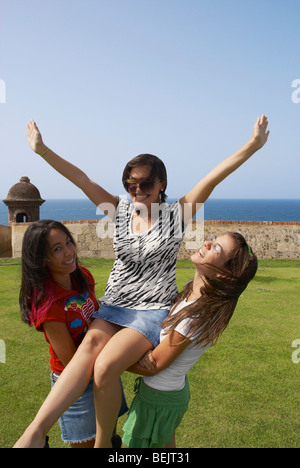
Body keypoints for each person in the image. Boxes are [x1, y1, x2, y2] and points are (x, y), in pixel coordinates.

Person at [14, 115, 269, 448]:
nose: (136, 190)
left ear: (161, 183)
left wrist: (252, 145)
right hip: (114, 304)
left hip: (150, 311)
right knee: (88, 351)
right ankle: (34, 434)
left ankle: (103, 445)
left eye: (145, 184)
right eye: (130, 183)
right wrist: (42, 150)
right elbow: (81, 178)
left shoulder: (176, 215)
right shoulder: (119, 209)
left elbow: (213, 177)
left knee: (104, 367)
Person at [123, 232, 258, 448]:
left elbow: (154, 365)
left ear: (225, 275)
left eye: (216, 248)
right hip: (166, 393)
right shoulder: (192, 294)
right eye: (213, 238)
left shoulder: (195, 315)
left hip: (159, 397)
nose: (206, 242)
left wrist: (113, 362)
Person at [19, 220, 127, 448]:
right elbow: (71, 361)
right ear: (41, 259)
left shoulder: (82, 276)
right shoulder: (49, 305)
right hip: (74, 382)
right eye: (57, 249)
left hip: (101, 370)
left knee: (108, 438)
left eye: (68, 242)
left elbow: (97, 318)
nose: (69, 252)